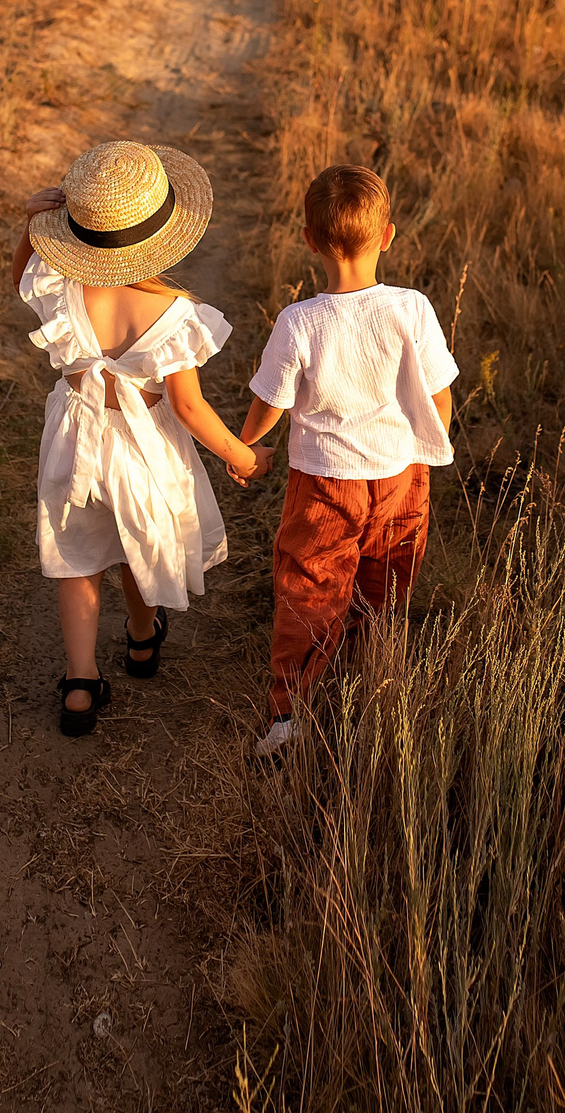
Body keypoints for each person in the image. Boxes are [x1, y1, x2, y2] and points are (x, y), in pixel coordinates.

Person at [13, 140, 260, 738]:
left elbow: (19, 274)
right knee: (136, 540)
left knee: (76, 556)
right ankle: (143, 640)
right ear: (162, 234)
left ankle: (79, 683)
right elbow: (188, 406)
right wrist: (242, 455)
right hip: (140, 446)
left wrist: (30, 226)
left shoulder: (57, 282)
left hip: (73, 438)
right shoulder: (173, 314)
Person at [238, 164, 456, 759]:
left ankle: (290, 714)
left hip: (324, 480)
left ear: (308, 240)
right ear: (388, 235)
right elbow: (440, 393)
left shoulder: (299, 322)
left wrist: (248, 446)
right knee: (384, 578)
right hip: (402, 474)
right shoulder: (412, 307)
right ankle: (366, 678)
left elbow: (269, 403)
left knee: (310, 585)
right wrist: (428, 438)